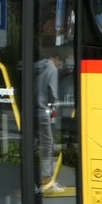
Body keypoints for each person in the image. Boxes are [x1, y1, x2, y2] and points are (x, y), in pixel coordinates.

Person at [34, 50, 64, 193]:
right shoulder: (52, 68)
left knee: (36, 144)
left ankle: (35, 180)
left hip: (32, 110)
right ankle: (46, 179)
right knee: (48, 143)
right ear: (56, 58)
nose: (60, 66)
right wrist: (55, 104)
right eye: (60, 62)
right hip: (42, 111)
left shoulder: (38, 66)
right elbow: (53, 92)